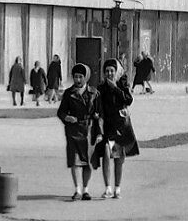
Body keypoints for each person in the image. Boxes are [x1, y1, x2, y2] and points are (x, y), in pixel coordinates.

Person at [93, 58, 139, 199]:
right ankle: (108, 188)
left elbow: (128, 100)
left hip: (120, 126)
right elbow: (97, 105)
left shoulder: (121, 85)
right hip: (107, 126)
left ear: (116, 72)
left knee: (118, 157)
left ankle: (117, 188)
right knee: (106, 154)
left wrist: (116, 88)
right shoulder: (101, 88)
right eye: (107, 71)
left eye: (112, 71)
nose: (109, 74)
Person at [56, 63, 102, 200]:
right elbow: (61, 112)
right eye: (75, 77)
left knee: (87, 162)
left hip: (88, 130)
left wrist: (99, 132)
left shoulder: (94, 93)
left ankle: (86, 190)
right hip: (73, 131)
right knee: (75, 161)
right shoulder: (69, 94)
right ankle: (77, 190)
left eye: (80, 77)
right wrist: (66, 117)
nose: (78, 80)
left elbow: (99, 114)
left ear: (86, 77)